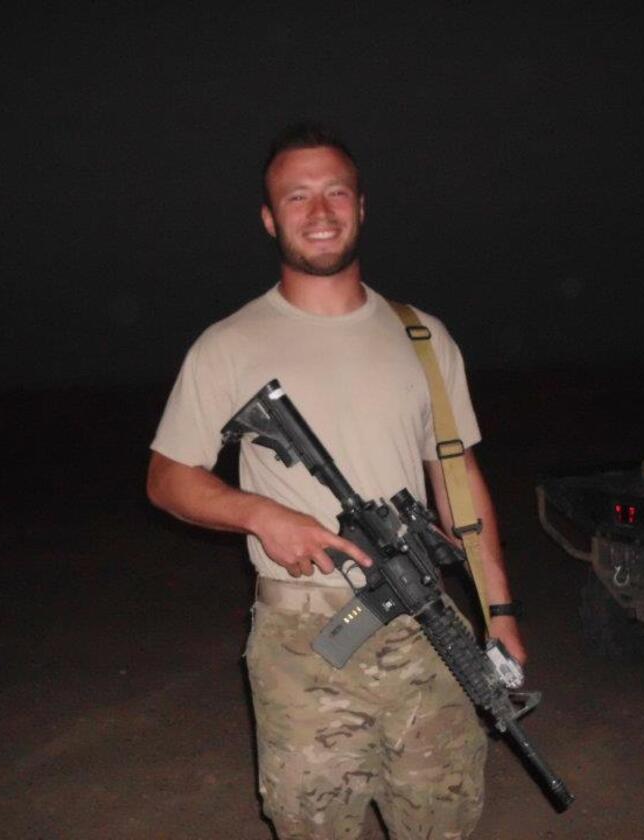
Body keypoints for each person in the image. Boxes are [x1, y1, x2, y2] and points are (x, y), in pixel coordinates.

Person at [147, 123, 525, 839]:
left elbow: (457, 476)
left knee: (445, 816)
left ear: (361, 206)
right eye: (297, 197)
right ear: (269, 218)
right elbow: (167, 479)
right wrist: (260, 514)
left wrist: (499, 613)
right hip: (303, 641)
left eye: (335, 193)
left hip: (426, 624)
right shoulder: (229, 344)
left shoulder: (423, 335)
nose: (319, 212)